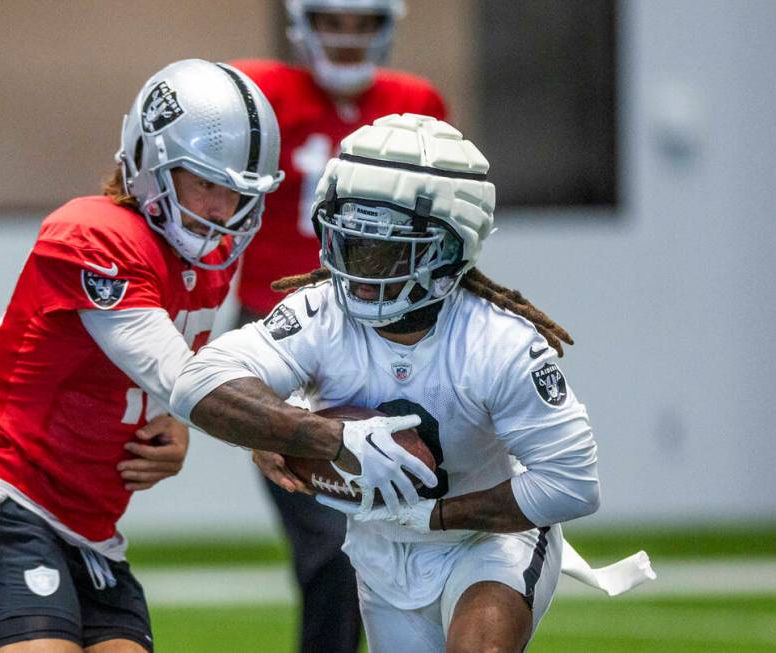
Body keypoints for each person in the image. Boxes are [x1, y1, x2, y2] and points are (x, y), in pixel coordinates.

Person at [170, 114, 601, 652]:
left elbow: (572, 484)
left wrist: (433, 515)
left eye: (387, 249)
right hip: (379, 545)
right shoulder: (321, 313)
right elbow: (197, 383)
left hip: (488, 538)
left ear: (449, 247)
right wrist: (315, 436)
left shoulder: (500, 343)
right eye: (352, 242)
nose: (362, 267)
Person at [0, 59, 283, 653]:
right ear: (148, 164)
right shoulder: (94, 235)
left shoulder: (204, 262)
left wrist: (176, 421)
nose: (222, 210)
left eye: (239, 190)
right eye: (206, 182)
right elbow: (181, 374)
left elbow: (175, 379)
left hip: (94, 534)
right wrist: (273, 434)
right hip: (8, 507)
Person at [230, 3, 446, 649]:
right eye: (333, 20)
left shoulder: (416, 102)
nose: (347, 38)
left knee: (419, 538)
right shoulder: (257, 94)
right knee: (332, 541)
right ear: (301, 22)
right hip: (284, 336)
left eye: (361, 23)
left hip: (389, 333)